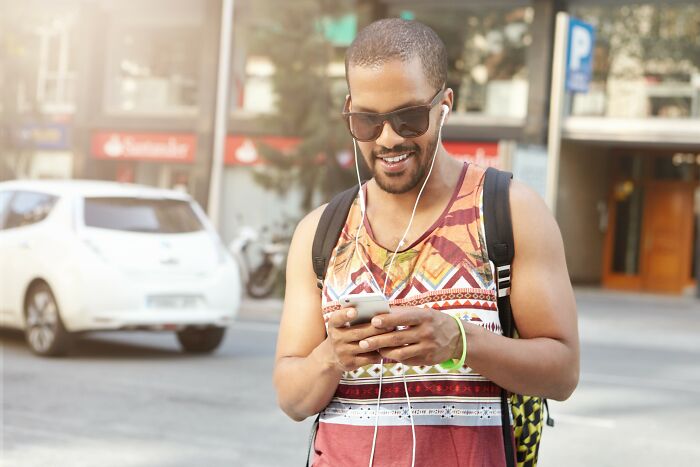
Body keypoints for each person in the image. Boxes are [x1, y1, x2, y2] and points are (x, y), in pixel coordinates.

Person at [273, 18, 579, 467]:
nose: (389, 138)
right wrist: (331, 357)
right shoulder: (320, 231)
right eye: (366, 122)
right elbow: (292, 398)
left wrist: (459, 342)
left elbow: (563, 373)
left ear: (444, 105)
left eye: (409, 117)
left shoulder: (510, 211)